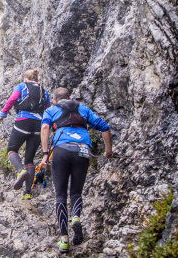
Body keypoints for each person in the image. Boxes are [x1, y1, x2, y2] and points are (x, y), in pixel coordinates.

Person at [40, 87, 112, 254]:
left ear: (54, 100)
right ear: (70, 98)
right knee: (76, 192)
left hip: (61, 149)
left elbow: (44, 128)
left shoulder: (51, 109)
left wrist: (45, 154)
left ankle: (64, 240)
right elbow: (104, 127)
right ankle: (76, 217)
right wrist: (108, 150)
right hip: (82, 150)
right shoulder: (82, 108)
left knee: (60, 195)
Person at [0, 69, 51, 200]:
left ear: (25, 79)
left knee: (12, 150)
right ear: (37, 80)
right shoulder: (43, 91)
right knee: (29, 160)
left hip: (23, 121)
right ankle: (27, 193)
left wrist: (2, 114)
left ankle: (21, 171)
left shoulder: (21, 86)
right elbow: (48, 109)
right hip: (38, 125)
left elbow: (12, 99)